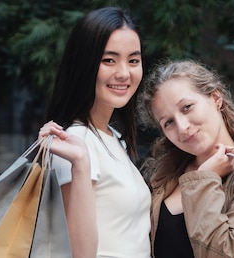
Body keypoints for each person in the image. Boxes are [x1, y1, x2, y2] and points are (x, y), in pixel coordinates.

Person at [37, 6, 150, 258]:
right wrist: (79, 161)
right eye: (108, 60)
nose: (123, 73)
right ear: (85, 64)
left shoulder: (112, 136)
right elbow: (79, 253)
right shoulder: (77, 142)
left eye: (133, 60)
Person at [137, 59, 234, 258]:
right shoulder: (160, 176)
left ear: (216, 98)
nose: (182, 127)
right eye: (168, 122)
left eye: (187, 107)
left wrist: (206, 178)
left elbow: (226, 254)